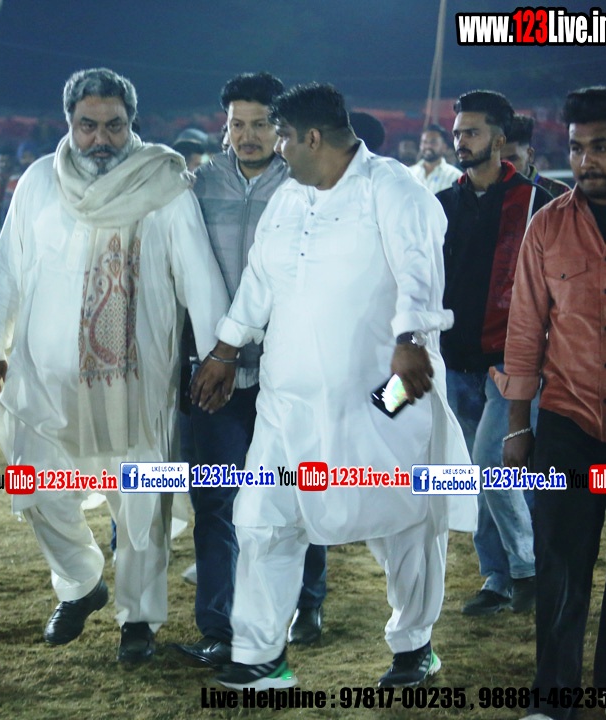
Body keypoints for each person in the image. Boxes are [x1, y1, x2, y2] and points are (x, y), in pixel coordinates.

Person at [191, 83, 471, 691]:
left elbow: (421, 270)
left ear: (312, 138)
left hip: (386, 394)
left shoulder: (393, 190)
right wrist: (225, 348)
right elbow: (259, 282)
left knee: (403, 519)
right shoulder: (289, 200)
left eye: (284, 138)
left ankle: (414, 646)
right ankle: (260, 656)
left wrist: (411, 339)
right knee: (263, 519)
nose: (278, 149)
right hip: (288, 399)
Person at [0, 67, 230, 664]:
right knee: (35, 485)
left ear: (131, 123)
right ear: (68, 122)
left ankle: (138, 620)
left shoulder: (163, 184)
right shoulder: (39, 181)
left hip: (138, 384)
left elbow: (199, 276)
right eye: (87, 125)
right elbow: (8, 265)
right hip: (46, 379)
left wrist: (220, 353)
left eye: (114, 125)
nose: (100, 139)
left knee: (139, 509)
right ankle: (81, 581)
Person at [169, 72, 327, 673]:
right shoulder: (197, 186)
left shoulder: (305, 186)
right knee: (215, 499)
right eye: (238, 124)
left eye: (261, 124)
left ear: (280, 128)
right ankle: (218, 626)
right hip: (216, 375)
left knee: (299, 492)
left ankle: (307, 603)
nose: (249, 135)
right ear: (225, 126)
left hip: (288, 373)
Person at [494, 86, 606, 720]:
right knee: (560, 564)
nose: (586, 160)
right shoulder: (546, 226)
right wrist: (518, 427)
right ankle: (554, 697)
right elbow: (524, 331)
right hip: (568, 424)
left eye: (602, 146)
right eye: (577, 148)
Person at [437, 90, 551, 617]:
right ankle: (497, 576)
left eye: (472, 132)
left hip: (514, 361)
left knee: (492, 464)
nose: (461, 141)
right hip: (457, 359)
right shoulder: (442, 203)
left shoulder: (537, 203)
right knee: (483, 473)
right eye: (458, 133)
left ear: (499, 139)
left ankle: (528, 569)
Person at [501, 113, 573, 199]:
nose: (505, 166)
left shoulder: (559, 193)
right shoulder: (489, 194)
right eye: (499, 160)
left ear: (530, 155)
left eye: (512, 159)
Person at [409, 124, 461, 193]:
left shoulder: (454, 176)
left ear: (444, 147)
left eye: (433, 142)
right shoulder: (410, 173)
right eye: (424, 142)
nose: (428, 146)